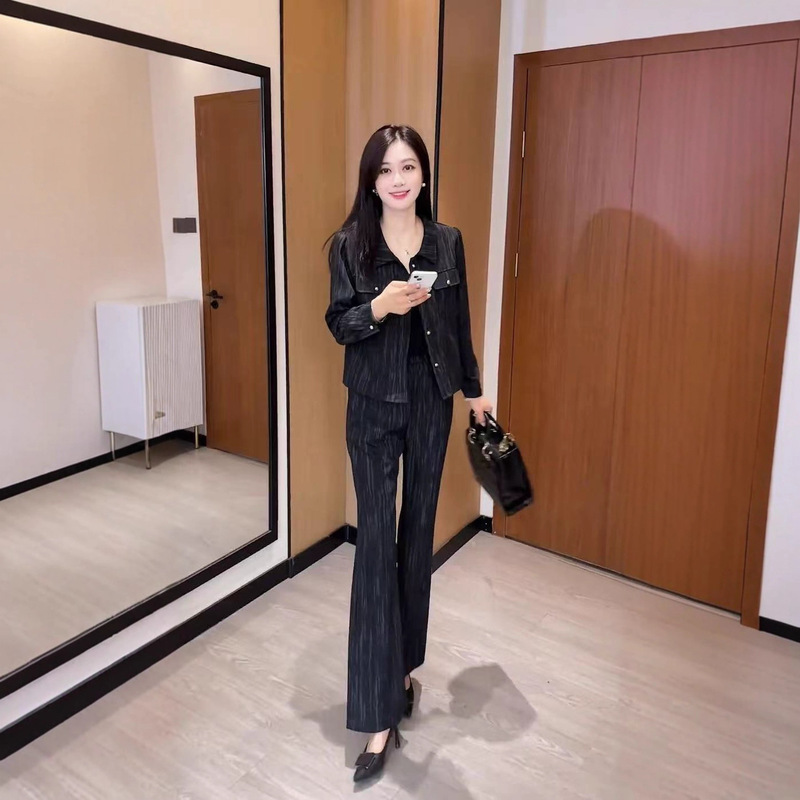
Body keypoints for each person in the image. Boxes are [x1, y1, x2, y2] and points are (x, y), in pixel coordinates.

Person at [325, 124, 493, 783]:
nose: (397, 179)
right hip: (371, 406)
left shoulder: (447, 241)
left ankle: (400, 674)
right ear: (371, 181)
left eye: (408, 167)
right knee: (375, 548)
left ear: (424, 175)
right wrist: (379, 308)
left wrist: (474, 391)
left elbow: (458, 323)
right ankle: (376, 717)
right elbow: (338, 324)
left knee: (416, 535)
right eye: (386, 169)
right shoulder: (350, 246)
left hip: (430, 401)